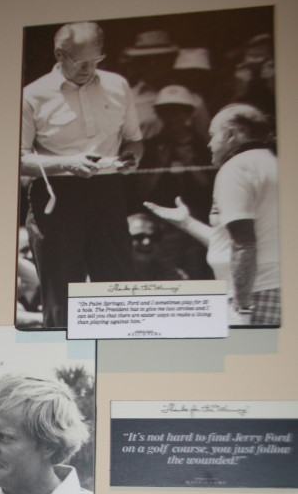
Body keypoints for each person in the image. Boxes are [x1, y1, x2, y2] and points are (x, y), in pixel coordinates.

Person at [21, 21, 143, 328]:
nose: (89, 68)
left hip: (108, 191)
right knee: (60, 299)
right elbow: (16, 160)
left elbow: (134, 139)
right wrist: (68, 163)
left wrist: (132, 156)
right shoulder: (32, 95)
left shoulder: (118, 85)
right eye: (80, 61)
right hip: (56, 197)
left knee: (117, 292)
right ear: (59, 54)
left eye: (96, 60)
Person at [145, 103, 280, 326]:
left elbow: (243, 243)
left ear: (229, 135)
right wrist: (187, 223)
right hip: (268, 289)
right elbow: (232, 243)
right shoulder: (272, 162)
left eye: (212, 135)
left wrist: (242, 306)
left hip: (254, 293)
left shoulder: (236, 167)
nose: (208, 144)